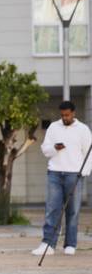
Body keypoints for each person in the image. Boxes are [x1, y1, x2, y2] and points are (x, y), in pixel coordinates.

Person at [33, 101, 92, 256]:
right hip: (55, 172)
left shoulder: (83, 130)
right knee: (52, 209)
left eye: (67, 115)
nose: (64, 118)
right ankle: (48, 244)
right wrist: (54, 148)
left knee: (73, 210)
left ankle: (70, 244)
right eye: (62, 115)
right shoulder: (53, 127)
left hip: (74, 174)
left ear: (73, 113)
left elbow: (89, 154)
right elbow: (45, 149)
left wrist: (83, 173)